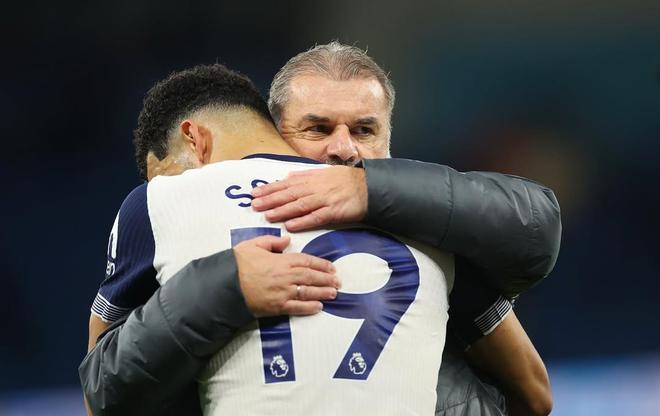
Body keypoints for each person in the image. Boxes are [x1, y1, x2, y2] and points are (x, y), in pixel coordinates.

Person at [82, 44, 559, 416]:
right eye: (318, 129)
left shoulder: (428, 223)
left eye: (365, 131)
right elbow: (533, 395)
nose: (343, 150)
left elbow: (100, 392)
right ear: (276, 130)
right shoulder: (430, 234)